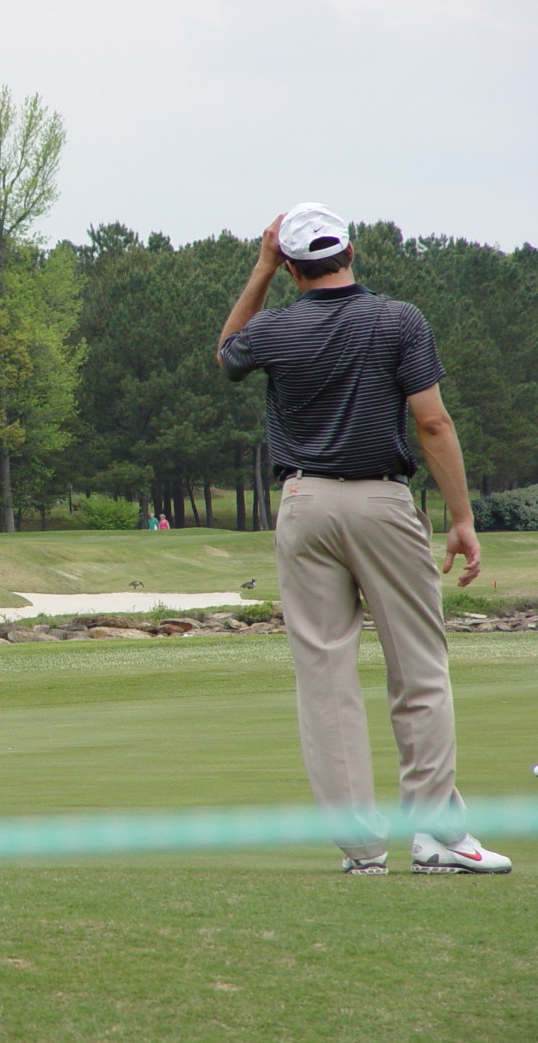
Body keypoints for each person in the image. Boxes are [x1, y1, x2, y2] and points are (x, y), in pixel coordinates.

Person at [217, 202, 510, 876]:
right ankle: (436, 836)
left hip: (303, 502)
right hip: (381, 499)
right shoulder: (397, 319)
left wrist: (260, 272)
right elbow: (432, 425)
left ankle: (363, 849)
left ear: (290, 264)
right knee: (419, 671)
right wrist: (463, 519)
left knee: (325, 678)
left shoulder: (276, 328)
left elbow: (227, 352)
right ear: (351, 249)